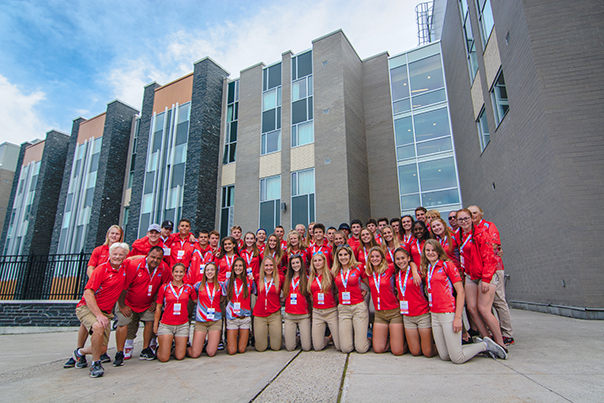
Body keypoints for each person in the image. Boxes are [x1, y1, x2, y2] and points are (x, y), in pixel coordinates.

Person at [421, 239, 507, 363]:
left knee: (457, 358)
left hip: (448, 313)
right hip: (435, 314)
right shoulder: (428, 268)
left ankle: (485, 345)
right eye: (427, 250)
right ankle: (474, 346)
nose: (430, 253)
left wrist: (457, 318)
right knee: (444, 356)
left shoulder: (447, 265)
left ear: (439, 251)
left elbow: (461, 292)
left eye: (433, 250)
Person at [68, 242, 130, 378]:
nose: (117, 257)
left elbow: (136, 259)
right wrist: (98, 315)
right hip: (88, 308)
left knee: (102, 349)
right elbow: (88, 293)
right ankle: (96, 365)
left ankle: (79, 353)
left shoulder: (124, 267)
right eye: (115, 254)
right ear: (110, 254)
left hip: (106, 312)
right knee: (97, 327)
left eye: (121, 255)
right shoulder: (101, 270)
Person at [454, 209, 507, 350]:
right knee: (472, 308)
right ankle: (487, 339)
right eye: (460, 219)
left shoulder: (481, 234)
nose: (464, 222)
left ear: (471, 218)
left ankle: (500, 342)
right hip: (471, 275)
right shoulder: (459, 235)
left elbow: (489, 258)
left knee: (484, 309)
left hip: (485, 275)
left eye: (466, 218)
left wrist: (486, 279)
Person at [114, 246, 170, 365]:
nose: (155, 260)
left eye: (158, 258)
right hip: (128, 301)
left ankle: (146, 348)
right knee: (124, 323)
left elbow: (165, 286)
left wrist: (156, 301)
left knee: (150, 320)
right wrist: (122, 305)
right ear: (147, 255)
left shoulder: (164, 268)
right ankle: (120, 351)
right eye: (153, 257)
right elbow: (122, 287)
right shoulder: (135, 265)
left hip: (148, 303)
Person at [468, 205, 514, 346]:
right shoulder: (469, 231)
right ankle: (492, 332)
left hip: (493, 268)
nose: (473, 215)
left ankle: (507, 334)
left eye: (475, 213)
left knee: (498, 301)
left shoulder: (488, 226)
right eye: (470, 213)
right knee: (483, 304)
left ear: (481, 213)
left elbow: (493, 246)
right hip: (477, 271)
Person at [393, 247, 435, 357]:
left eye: (403, 258)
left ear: (408, 258)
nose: (400, 261)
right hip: (407, 316)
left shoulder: (416, 273)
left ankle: (443, 347)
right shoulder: (397, 275)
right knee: (415, 352)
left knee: (428, 353)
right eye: (397, 259)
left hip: (422, 314)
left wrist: (414, 269)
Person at [365, 247, 405, 355]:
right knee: (378, 349)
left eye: (377, 256)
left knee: (397, 351)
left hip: (394, 312)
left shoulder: (389, 268)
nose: (374, 259)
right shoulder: (368, 271)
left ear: (382, 258)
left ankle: (404, 344)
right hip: (379, 313)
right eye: (372, 257)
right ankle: (392, 341)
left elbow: (407, 264)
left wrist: (414, 270)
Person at [154, 263, 196, 362]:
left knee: (180, 356)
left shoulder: (189, 288)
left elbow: (197, 301)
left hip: (182, 325)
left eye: (181, 272)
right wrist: (156, 325)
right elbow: (159, 307)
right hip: (166, 324)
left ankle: (171, 348)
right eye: (176, 272)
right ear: (172, 273)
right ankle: (159, 349)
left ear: (184, 273)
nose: (178, 274)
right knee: (164, 358)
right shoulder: (164, 288)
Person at [332, 245, 369, 354]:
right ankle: (354, 338)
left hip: (358, 307)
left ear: (350, 255)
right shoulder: (335, 270)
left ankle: (369, 340)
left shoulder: (359, 267)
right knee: (345, 349)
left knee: (361, 349)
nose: (343, 257)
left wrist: (365, 291)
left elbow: (368, 283)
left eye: (345, 254)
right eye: (340, 255)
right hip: (344, 309)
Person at [189, 262, 223, 358]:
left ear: (216, 272)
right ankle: (184, 348)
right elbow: (194, 297)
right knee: (195, 354)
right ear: (204, 272)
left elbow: (223, 297)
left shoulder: (220, 285)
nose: (210, 272)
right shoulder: (198, 285)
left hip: (215, 320)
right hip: (201, 321)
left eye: (212, 270)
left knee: (211, 352)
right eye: (207, 270)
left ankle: (207, 344)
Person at [308, 251, 340, 351]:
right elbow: (310, 295)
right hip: (317, 312)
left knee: (340, 346)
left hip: (331, 311)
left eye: (319, 260)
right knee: (317, 347)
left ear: (324, 261)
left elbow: (338, 290)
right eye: (315, 261)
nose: (317, 263)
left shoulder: (331, 274)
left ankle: (333, 337)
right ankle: (328, 338)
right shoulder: (311, 277)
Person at [224, 257, 255, 355]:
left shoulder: (249, 281)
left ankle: (243, 336)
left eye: (240, 266)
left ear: (244, 268)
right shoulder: (228, 282)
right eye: (236, 266)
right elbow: (223, 296)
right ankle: (231, 339)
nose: (238, 268)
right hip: (232, 318)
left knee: (242, 349)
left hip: (244, 318)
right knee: (232, 351)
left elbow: (254, 292)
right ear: (233, 268)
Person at [253, 256, 283, 351]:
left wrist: (282, 299)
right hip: (260, 315)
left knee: (276, 347)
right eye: (266, 265)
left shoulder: (280, 278)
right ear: (263, 267)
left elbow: (288, 291)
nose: (269, 267)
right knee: (261, 348)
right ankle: (263, 337)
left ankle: (271, 336)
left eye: (271, 265)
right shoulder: (257, 277)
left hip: (274, 314)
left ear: (274, 266)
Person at [283, 254, 311, 351]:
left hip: (303, 315)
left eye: (297, 263)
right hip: (290, 315)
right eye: (293, 263)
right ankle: (298, 338)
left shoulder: (307, 278)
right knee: (290, 347)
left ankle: (302, 337)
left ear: (301, 264)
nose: (295, 265)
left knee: (307, 347)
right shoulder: (286, 279)